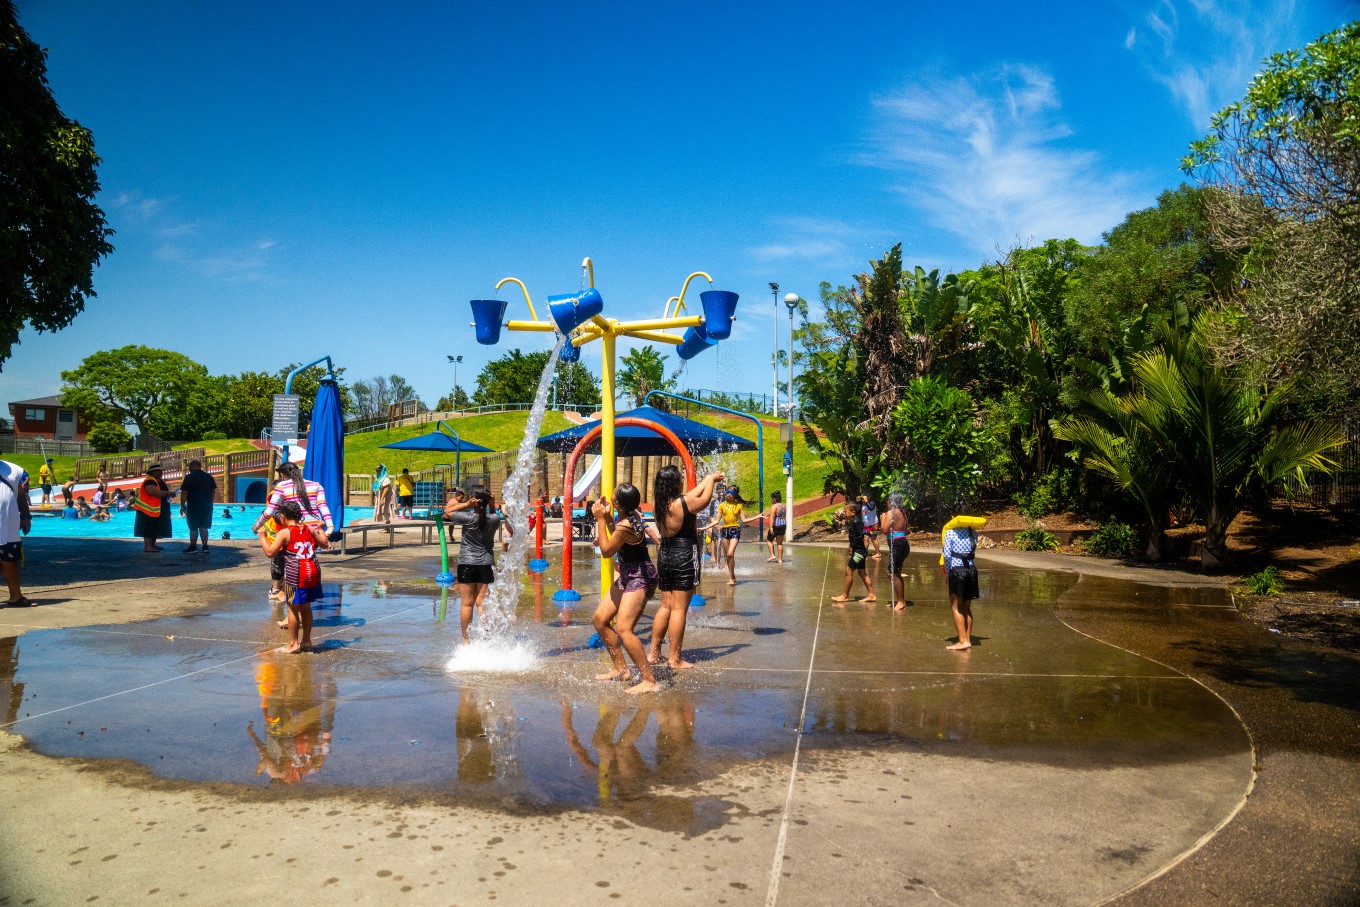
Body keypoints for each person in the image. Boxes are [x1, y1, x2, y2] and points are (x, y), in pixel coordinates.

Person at [647, 466, 724, 671]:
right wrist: (711, 481)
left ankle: (654, 652)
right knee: (680, 608)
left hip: (665, 554)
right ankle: (675, 658)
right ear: (675, 483)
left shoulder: (660, 504)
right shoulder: (685, 503)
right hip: (684, 553)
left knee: (666, 606)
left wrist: (708, 478)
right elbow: (705, 500)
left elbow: (688, 496)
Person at [590, 482, 662, 694]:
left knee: (623, 628)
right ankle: (621, 670)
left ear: (617, 503)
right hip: (628, 575)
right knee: (600, 619)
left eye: (613, 495)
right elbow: (618, 536)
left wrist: (601, 520)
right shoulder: (632, 516)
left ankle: (649, 680)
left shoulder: (625, 525)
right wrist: (608, 518)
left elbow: (606, 551)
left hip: (640, 576)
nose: (610, 494)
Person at [258, 501, 329, 654]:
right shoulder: (309, 528)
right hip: (313, 572)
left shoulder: (285, 532)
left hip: (296, 574)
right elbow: (324, 543)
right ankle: (306, 640)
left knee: (293, 609)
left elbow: (270, 552)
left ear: (283, 517)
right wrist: (321, 529)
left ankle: (293, 644)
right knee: (306, 607)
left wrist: (262, 537)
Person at [445, 489, 513, 644]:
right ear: (488, 501)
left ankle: (466, 640)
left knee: (466, 603)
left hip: (467, 564)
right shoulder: (494, 518)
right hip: (486, 564)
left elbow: (448, 512)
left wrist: (465, 505)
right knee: (482, 603)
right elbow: (492, 514)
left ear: (474, 501)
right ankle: (485, 638)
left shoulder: (467, 517)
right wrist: (492, 505)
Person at [0, 459, 34, 607]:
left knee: (9, 561)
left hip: (8, 524)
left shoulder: (13, 469)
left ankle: (16, 596)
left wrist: (26, 516)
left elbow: (20, 496)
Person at [942, 521, 981, 651]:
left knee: (956, 608)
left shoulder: (950, 533)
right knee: (966, 608)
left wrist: (947, 573)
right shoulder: (973, 533)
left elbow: (947, 555)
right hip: (972, 571)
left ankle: (962, 641)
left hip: (957, 571)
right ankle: (967, 640)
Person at [830, 500, 875, 604]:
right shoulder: (852, 521)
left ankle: (845, 596)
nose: (844, 513)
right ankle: (871, 594)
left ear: (853, 512)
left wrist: (852, 546)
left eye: (846, 512)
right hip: (859, 551)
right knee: (862, 573)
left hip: (859, 552)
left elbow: (860, 536)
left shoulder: (856, 522)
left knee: (848, 571)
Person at [132, 464, 175, 552]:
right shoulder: (150, 481)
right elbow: (152, 492)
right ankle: (147, 546)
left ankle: (152, 545)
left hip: (156, 509)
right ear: (154, 472)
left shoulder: (158, 480)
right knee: (148, 527)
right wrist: (167, 493)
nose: (161, 472)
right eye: (159, 471)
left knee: (155, 527)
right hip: (148, 509)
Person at [178, 459, 218, 553]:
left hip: (194, 506)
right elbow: (213, 491)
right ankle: (205, 547)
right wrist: (210, 502)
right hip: (207, 506)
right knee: (204, 527)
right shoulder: (209, 477)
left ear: (190, 467)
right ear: (200, 466)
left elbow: (184, 493)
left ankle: (193, 547)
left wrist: (182, 505)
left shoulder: (189, 477)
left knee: (193, 527)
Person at [714, 485, 750, 586]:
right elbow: (717, 520)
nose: (728, 494)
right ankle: (732, 576)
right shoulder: (722, 505)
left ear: (735, 495)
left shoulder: (738, 506)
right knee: (727, 556)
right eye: (727, 492)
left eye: (731, 493)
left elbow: (744, 520)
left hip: (735, 530)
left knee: (730, 554)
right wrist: (704, 528)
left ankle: (732, 577)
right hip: (725, 531)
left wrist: (758, 517)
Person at [885, 492, 911, 611]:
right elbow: (906, 529)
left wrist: (882, 519)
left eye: (888, 501)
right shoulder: (902, 512)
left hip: (897, 545)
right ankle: (899, 599)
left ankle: (901, 601)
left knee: (892, 573)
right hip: (902, 543)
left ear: (891, 502)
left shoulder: (891, 513)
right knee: (895, 572)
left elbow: (884, 530)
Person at [753, 490, 788, 564]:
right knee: (780, 543)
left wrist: (771, 527)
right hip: (783, 525)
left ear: (775, 499)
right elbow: (780, 515)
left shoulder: (774, 506)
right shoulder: (783, 506)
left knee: (769, 540)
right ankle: (780, 560)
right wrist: (768, 515)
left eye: (772, 498)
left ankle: (772, 555)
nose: (771, 500)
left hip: (776, 526)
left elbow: (772, 517)